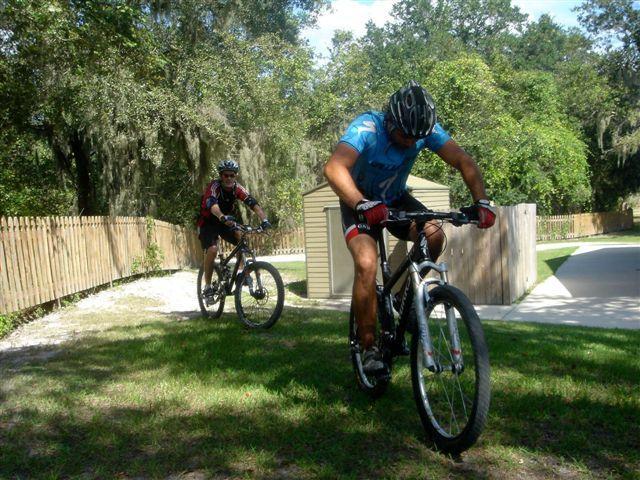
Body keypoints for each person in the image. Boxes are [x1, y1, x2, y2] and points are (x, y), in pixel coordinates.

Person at [323, 80, 496, 373]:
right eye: (404, 134)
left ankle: (404, 301)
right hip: (359, 202)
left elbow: (463, 161)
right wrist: (361, 203)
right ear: (391, 119)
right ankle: (369, 348)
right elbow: (334, 167)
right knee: (366, 263)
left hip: (395, 198)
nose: (408, 142)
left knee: (435, 235)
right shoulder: (368, 127)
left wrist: (482, 202)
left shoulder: (424, 131)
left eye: (415, 138)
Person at [197, 159, 271, 298]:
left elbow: (252, 202)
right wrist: (221, 216)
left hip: (225, 222)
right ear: (221, 176)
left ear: (235, 176)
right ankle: (207, 286)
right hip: (208, 222)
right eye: (226, 175)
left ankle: (243, 274)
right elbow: (212, 204)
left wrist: (264, 219)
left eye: (232, 175)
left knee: (241, 237)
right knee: (212, 250)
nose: (229, 178)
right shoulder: (214, 187)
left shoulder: (237, 188)